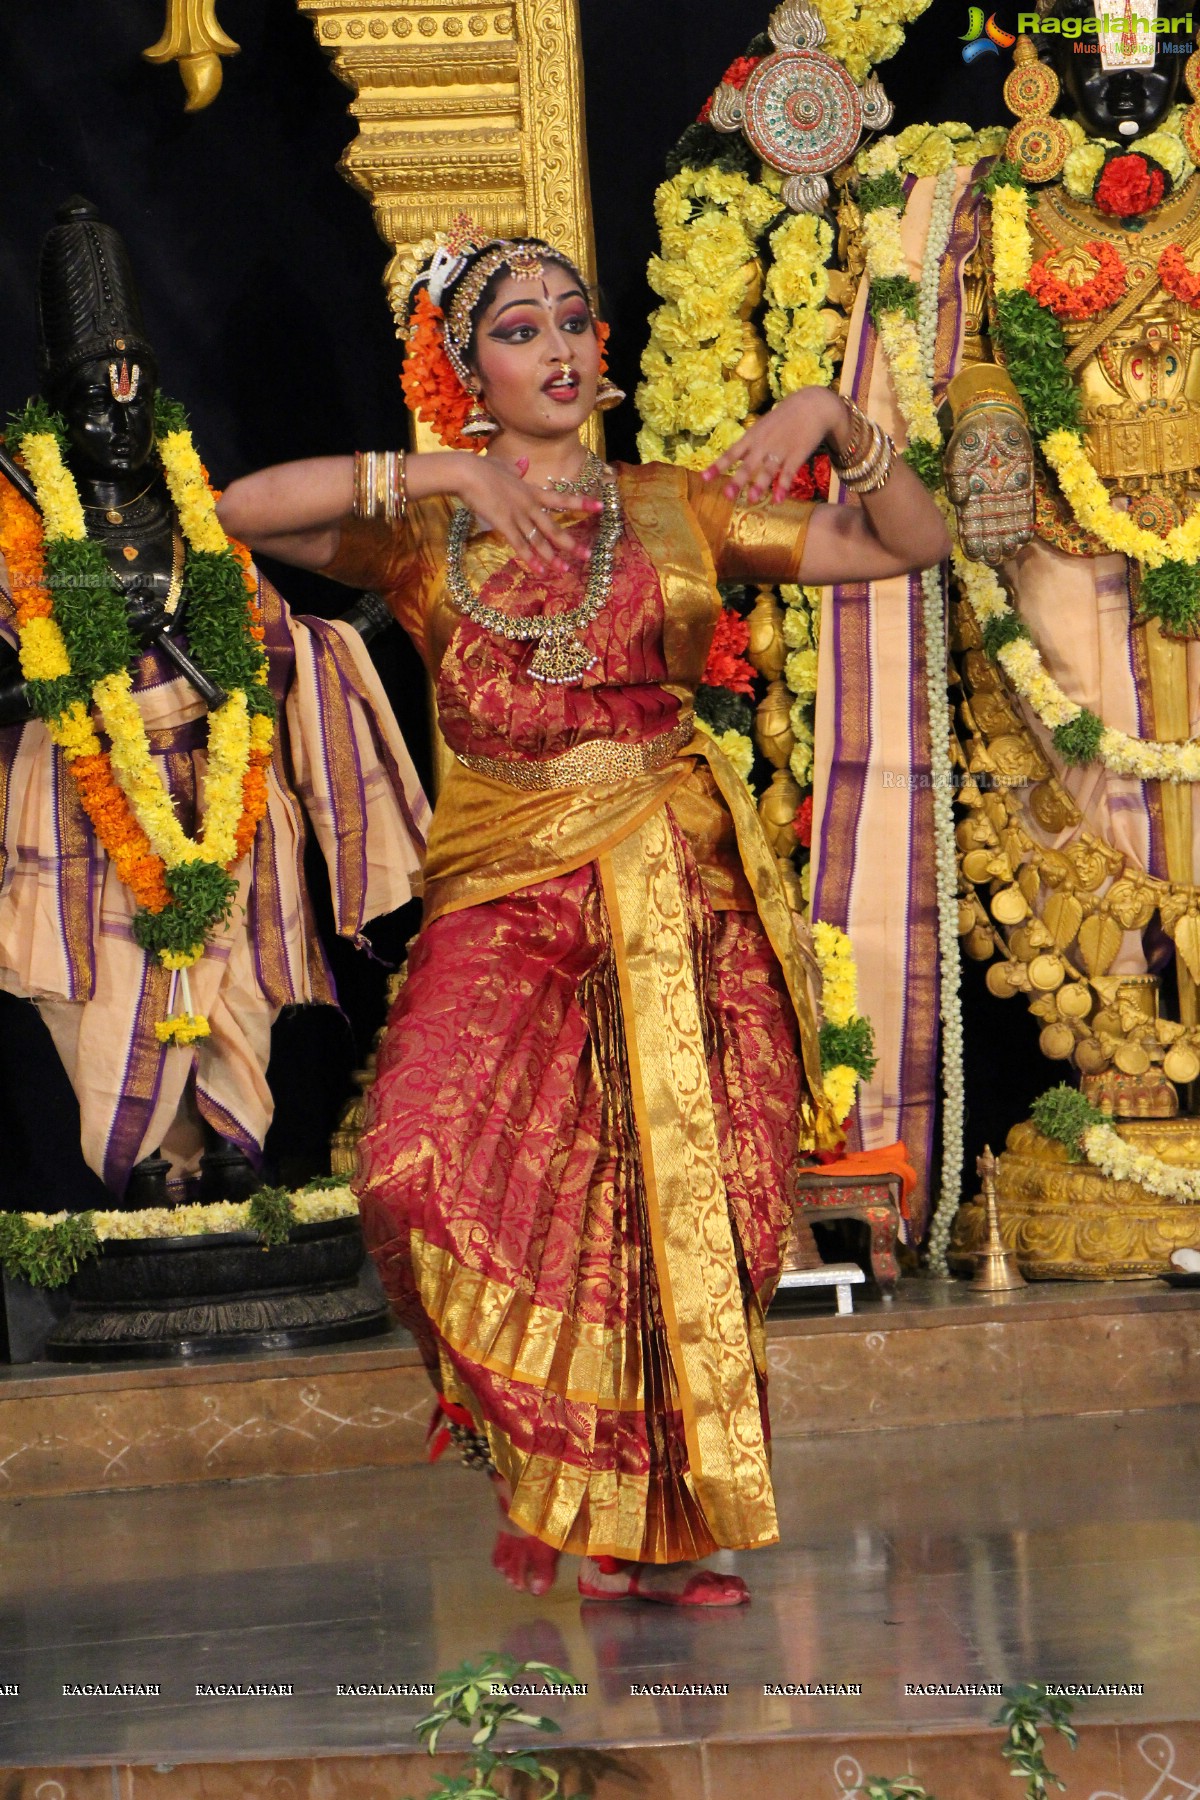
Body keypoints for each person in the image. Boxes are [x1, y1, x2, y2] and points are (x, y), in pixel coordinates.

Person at [217, 226, 950, 1605]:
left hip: (675, 880)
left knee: (686, 1206)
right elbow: (239, 509)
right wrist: (445, 471)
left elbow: (903, 542)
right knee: (414, 1172)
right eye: (520, 329)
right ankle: (559, 1471)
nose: (559, 347)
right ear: (464, 364)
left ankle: (658, 1528)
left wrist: (841, 422)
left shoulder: (675, 505)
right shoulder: (417, 523)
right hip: (503, 881)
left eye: (574, 321)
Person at [0, 198, 429, 1205]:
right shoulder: (21, 534)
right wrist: (60, 670)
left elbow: (272, 644)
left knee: (234, 994)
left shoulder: (201, 514)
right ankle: (151, 1184)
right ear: (57, 413)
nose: (120, 421)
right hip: (80, 809)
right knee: (101, 1003)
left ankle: (232, 1182)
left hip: (220, 800)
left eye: (136, 399)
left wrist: (362, 627)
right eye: (95, 405)